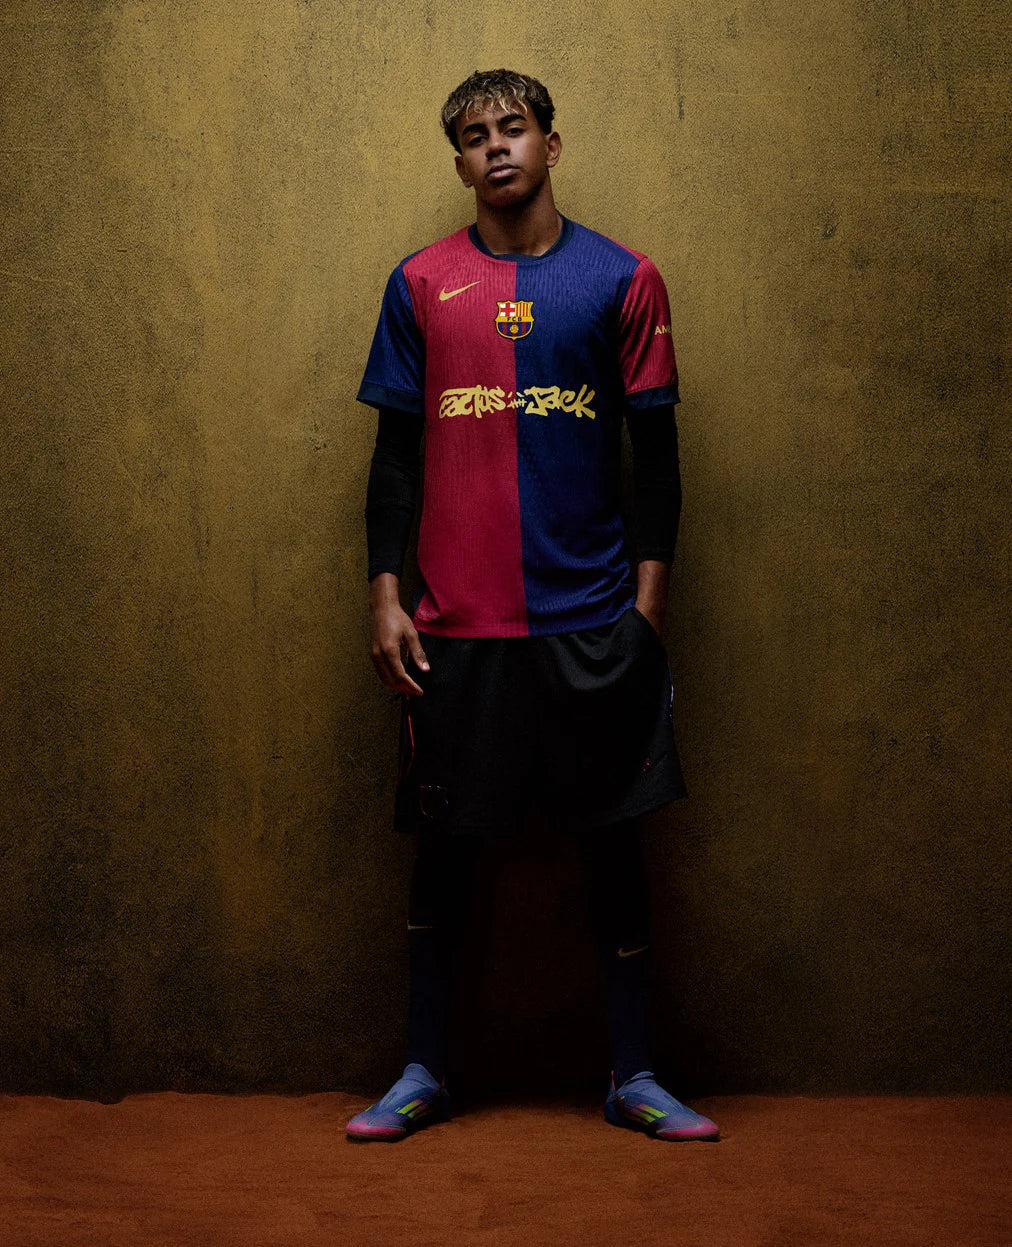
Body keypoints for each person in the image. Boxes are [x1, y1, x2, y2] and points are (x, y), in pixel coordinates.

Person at [346, 68, 719, 1144]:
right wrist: (385, 597)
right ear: (459, 162)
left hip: (591, 622)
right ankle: (424, 1070)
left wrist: (646, 615)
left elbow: (658, 462)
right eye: (475, 135)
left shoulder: (622, 278)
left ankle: (634, 1074)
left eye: (513, 128)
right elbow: (395, 460)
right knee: (446, 852)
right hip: (455, 629)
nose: (496, 146)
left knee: (612, 849)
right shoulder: (419, 282)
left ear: (551, 146)